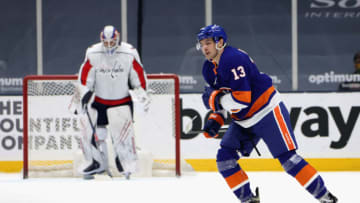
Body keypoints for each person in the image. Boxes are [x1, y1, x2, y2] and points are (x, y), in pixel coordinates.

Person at [196, 24, 338, 203]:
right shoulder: (208, 68)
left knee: (289, 160)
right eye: (202, 44)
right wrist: (215, 119)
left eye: (208, 42)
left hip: (267, 111)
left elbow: (241, 100)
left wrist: (215, 100)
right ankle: (248, 200)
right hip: (244, 119)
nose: (205, 47)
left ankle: (326, 198)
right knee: (225, 159)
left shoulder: (233, 59)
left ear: (221, 42)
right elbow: (223, 98)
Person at [75, 25, 150, 179]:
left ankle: (126, 166)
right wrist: (83, 94)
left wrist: (142, 91)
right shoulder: (93, 52)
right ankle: (97, 164)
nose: (109, 45)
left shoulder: (129, 52)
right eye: (106, 42)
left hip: (121, 101)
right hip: (99, 101)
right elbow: (85, 77)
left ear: (118, 38)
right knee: (96, 134)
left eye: (112, 42)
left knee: (122, 137)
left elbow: (138, 75)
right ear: (101, 39)